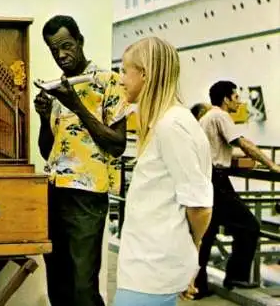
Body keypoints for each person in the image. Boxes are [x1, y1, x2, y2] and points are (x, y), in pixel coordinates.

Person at [34, 15, 129, 306]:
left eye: (66, 45)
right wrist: (42, 117)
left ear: (80, 41)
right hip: (54, 191)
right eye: (54, 50)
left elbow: (117, 145)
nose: (61, 54)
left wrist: (75, 103)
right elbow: (46, 151)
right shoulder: (57, 87)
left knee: (83, 286)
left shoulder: (109, 82)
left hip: (87, 197)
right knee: (58, 283)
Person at [114, 37, 213, 306]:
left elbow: (200, 206)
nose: (120, 79)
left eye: (125, 71)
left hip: (151, 274)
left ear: (144, 74)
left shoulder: (172, 126)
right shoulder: (168, 123)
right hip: (148, 270)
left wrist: (189, 254)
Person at [194, 80, 280, 297]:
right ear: (226, 99)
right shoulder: (221, 116)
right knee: (249, 225)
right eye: (236, 97)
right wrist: (271, 164)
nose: (240, 102)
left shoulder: (207, 118)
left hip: (206, 178)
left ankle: (198, 285)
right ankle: (237, 276)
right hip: (217, 180)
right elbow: (243, 143)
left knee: (208, 233)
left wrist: (251, 158)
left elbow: (222, 150)